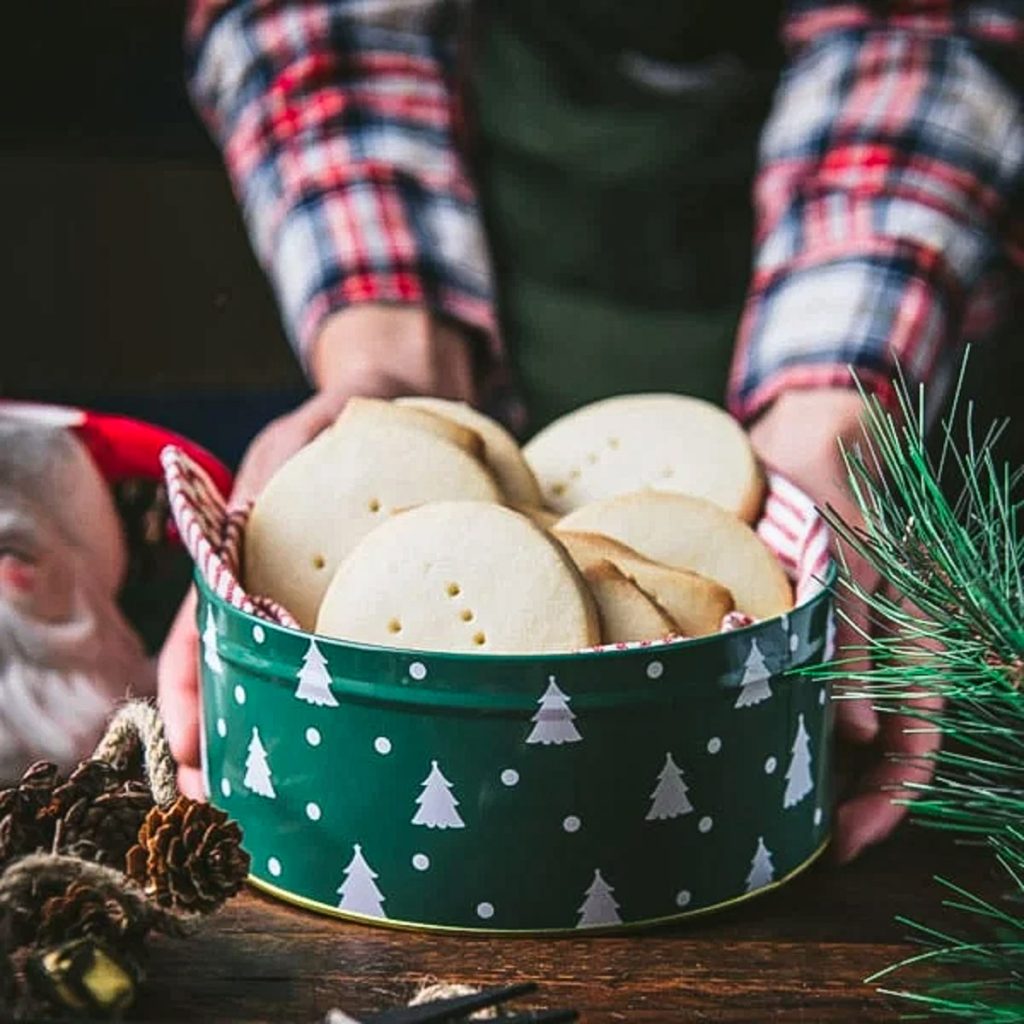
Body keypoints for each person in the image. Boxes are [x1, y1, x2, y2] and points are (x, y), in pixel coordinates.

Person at [159, 0, 1024, 863]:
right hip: (488, 221)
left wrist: (836, 424)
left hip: (906, 369)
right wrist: (387, 373)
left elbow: (921, 23)